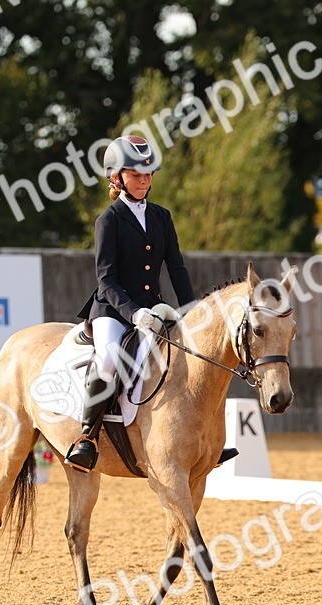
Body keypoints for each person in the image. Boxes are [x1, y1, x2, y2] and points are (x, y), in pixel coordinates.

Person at [65, 134, 195, 472]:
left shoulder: (162, 217)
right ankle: (86, 437)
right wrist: (133, 313)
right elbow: (106, 280)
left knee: (188, 360)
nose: (144, 181)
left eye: (148, 174)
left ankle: (200, 442)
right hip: (114, 310)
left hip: (155, 308)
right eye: (136, 175)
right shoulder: (108, 221)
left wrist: (192, 310)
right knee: (109, 358)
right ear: (117, 177)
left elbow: (176, 268)